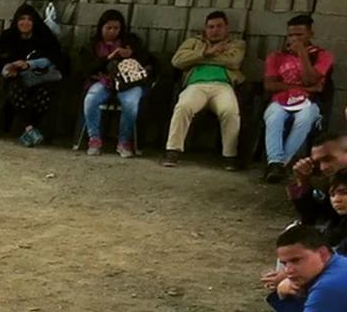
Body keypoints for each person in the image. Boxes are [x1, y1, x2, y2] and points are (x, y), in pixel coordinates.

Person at [165, 11, 249, 169]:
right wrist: (205, 53)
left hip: (223, 86)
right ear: (205, 29)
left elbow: (234, 62)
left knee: (229, 111)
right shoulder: (193, 42)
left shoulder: (236, 44)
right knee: (183, 107)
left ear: (226, 28)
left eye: (219, 26)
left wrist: (199, 58)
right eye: (211, 27)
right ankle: (173, 150)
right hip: (196, 85)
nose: (215, 30)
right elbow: (177, 61)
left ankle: (230, 156)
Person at [261, 15, 333, 182]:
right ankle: (276, 163)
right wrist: (303, 88)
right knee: (274, 117)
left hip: (309, 101)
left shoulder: (323, 55)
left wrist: (302, 54)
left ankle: (278, 165)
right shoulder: (277, 56)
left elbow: (310, 80)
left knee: (304, 120)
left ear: (310, 34)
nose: (294, 39)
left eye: (299, 35)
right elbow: (269, 85)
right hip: (281, 100)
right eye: (291, 35)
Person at [0, 2, 68, 147]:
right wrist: (8, 69)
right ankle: (30, 129)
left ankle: (30, 130)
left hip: (39, 77)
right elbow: (1, 61)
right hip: (15, 78)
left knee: (46, 92)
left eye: (29, 19)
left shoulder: (43, 36)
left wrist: (29, 64)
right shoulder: (8, 36)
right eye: (22, 19)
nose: (25, 23)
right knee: (15, 88)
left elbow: (54, 58)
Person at [81, 9, 153, 158]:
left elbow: (148, 61)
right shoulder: (92, 44)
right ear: (101, 27)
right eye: (108, 28)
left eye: (116, 28)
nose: (112, 32)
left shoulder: (130, 42)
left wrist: (132, 54)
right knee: (91, 99)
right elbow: (86, 69)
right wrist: (108, 58)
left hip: (128, 83)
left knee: (130, 103)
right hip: (103, 81)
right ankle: (94, 139)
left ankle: (124, 141)